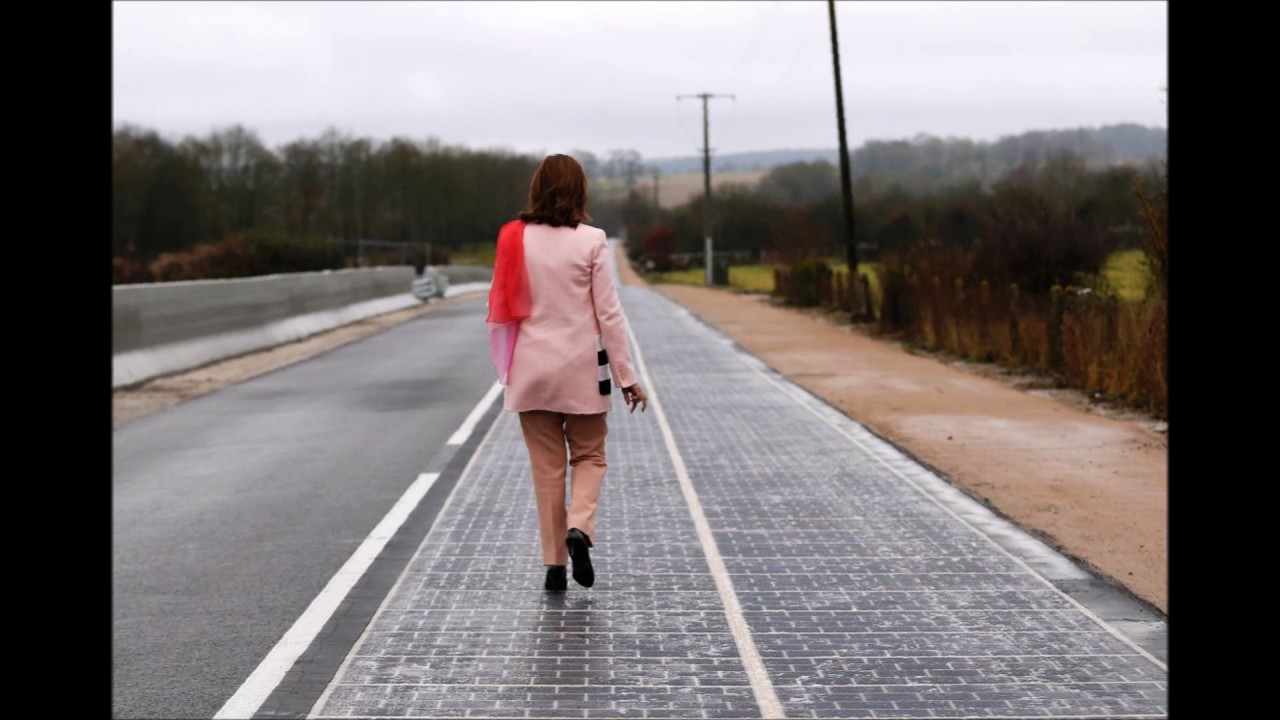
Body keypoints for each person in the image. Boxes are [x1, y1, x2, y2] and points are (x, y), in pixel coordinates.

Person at [486, 153, 648, 593]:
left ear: (537, 188)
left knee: (547, 469)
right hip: (581, 371)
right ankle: (580, 527)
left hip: (529, 372)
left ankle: (554, 566)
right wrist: (627, 376)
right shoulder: (592, 240)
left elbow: (501, 307)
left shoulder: (514, 239)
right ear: (580, 191)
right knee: (590, 456)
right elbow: (609, 315)